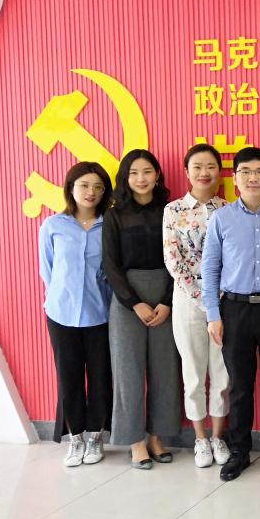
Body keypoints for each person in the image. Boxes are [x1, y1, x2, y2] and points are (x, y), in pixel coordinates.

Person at [203, 146, 260, 482]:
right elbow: (210, 268)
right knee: (240, 386)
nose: (252, 178)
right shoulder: (221, 218)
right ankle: (239, 451)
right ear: (235, 178)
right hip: (235, 310)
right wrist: (213, 314)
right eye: (245, 171)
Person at [104, 149, 181, 469]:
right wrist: (133, 302)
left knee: (166, 370)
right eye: (134, 173)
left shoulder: (170, 211)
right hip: (127, 299)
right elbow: (110, 265)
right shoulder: (114, 214)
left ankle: (157, 437)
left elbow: (180, 259)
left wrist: (167, 301)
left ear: (157, 175)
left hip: (166, 293)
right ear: (125, 177)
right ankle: (135, 441)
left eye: (147, 171)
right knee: (128, 371)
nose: (141, 178)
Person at [39, 162, 114, 467]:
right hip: (61, 314)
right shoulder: (53, 225)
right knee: (68, 377)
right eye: (84, 185)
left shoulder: (109, 226)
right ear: (71, 188)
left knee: (100, 376)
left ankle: (95, 437)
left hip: (100, 314)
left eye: (98, 187)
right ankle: (76, 438)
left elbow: (111, 272)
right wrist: (61, 297)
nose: (91, 192)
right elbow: (48, 269)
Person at [163, 143, 230, 469]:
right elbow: (173, 259)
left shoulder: (228, 209)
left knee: (222, 372)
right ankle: (200, 439)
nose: (204, 173)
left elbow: (236, 257)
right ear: (187, 172)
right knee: (193, 372)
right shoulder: (173, 210)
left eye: (211, 167)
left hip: (225, 301)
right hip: (188, 300)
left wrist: (218, 297)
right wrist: (201, 298)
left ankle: (218, 437)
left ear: (220, 171)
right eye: (198, 167)